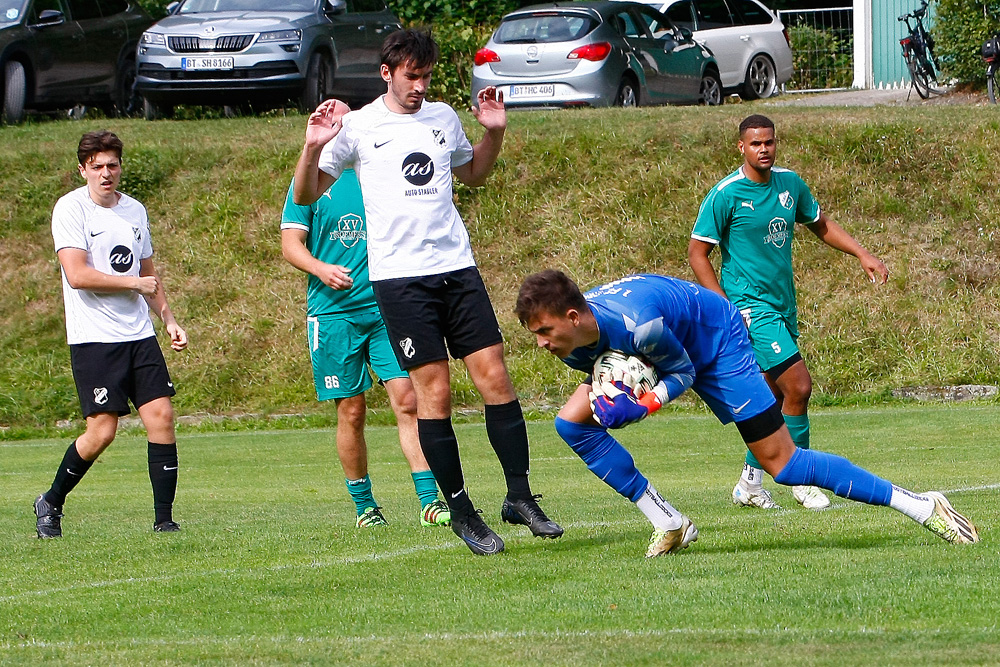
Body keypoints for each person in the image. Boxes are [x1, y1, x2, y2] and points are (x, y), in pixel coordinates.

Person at [292, 28, 562, 555]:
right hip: (399, 279)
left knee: (496, 379)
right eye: (411, 76)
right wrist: (311, 146)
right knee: (432, 394)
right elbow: (305, 193)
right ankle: (461, 511)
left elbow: (475, 175)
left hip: (457, 268)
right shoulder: (359, 126)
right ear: (387, 73)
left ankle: (520, 496)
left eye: (427, 76)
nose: (419, 86)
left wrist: (495, 134)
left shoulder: (442, 118)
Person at [515, 270, 978, 557]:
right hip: (665, 345)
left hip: (716, 341)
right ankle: (669, 521)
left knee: (786, 465)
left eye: (545, 330)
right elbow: (621, 367)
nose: (540, 343)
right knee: (570, 423)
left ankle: (921, 504)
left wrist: (643, 404)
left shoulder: (640, 325)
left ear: (574, 317)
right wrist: (614, 393)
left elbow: (683, 371)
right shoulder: (570, 343)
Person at [688, 114, 890, 511]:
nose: (763, 149)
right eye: (755, 143)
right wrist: (723, 305)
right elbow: (698, 254)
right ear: (740, 147)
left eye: (769, 142)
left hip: (781, 304)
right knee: (798, 386)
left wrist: (862, 253)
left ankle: (750, 482)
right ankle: (804, 479)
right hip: (749, 306)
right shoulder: (726, 194)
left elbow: (821, 224)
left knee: (767, 396)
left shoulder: (790, 184)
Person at [35, 130, 187, 538]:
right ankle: (51, 500)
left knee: (162, 416)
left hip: (138, 334)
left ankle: (164, 521)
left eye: (113, 166)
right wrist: (133, 285)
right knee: (102, 430)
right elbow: (78, 275)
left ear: (121, 167)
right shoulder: (70, 210)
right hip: (94, 338)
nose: (106, 174)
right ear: (83, 168)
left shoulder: (134, 210)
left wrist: (169, 319)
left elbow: (149, 275)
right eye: (98, 166)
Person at [281, 169, 451, 528]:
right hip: (332, 314)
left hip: (385, 306)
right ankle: (365, 507)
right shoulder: (309, 183)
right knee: (352, 411)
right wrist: (321, 268)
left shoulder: (377, 172)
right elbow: (290, 244)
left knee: (408, 400)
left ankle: (429, 501)